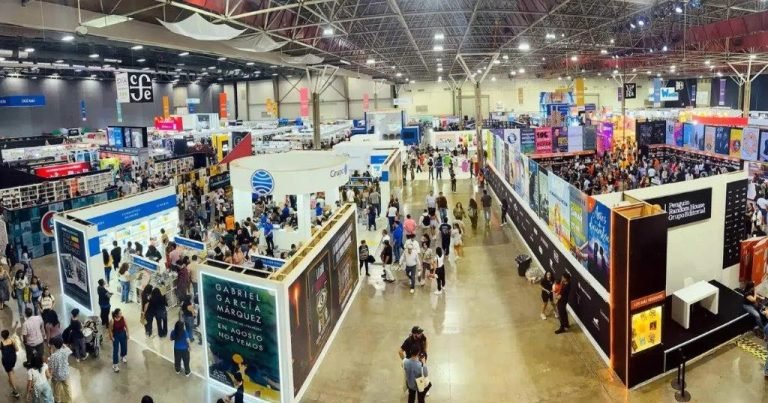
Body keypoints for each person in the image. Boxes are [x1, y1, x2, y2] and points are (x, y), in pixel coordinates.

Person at [47, 338, 72, 403]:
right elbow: (70, 350)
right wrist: (62, 344)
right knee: (67, 388)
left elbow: (51, 368)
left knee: (56, 390)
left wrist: (49, 375)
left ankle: (57, 400)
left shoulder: (53, 356)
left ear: (54, 346)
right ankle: (69, 400)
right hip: (66, 374)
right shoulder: (66, 351)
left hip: (57, 376)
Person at [1, 329, 21, 398]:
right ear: (8, 335)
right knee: (11, 370)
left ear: (2, 336)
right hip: (13, 359)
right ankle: (11, 379)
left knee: (10, 375)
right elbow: (17, 349)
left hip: (6, 361)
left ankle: (15, 392)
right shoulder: (12, 340)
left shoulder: (1, 342)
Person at [109, 308, 129, 373]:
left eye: (121, 313)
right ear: (116, 314)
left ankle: (123, 356)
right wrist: (111, 337)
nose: (121, 314)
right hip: (116, 335)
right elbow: (110, 330)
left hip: (123, 333)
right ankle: (115, 365)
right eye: (120, 313)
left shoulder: (123, 318)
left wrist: (128, 333)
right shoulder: (112, 320)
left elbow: (126, 326)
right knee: (116, 350)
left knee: (124, 346)